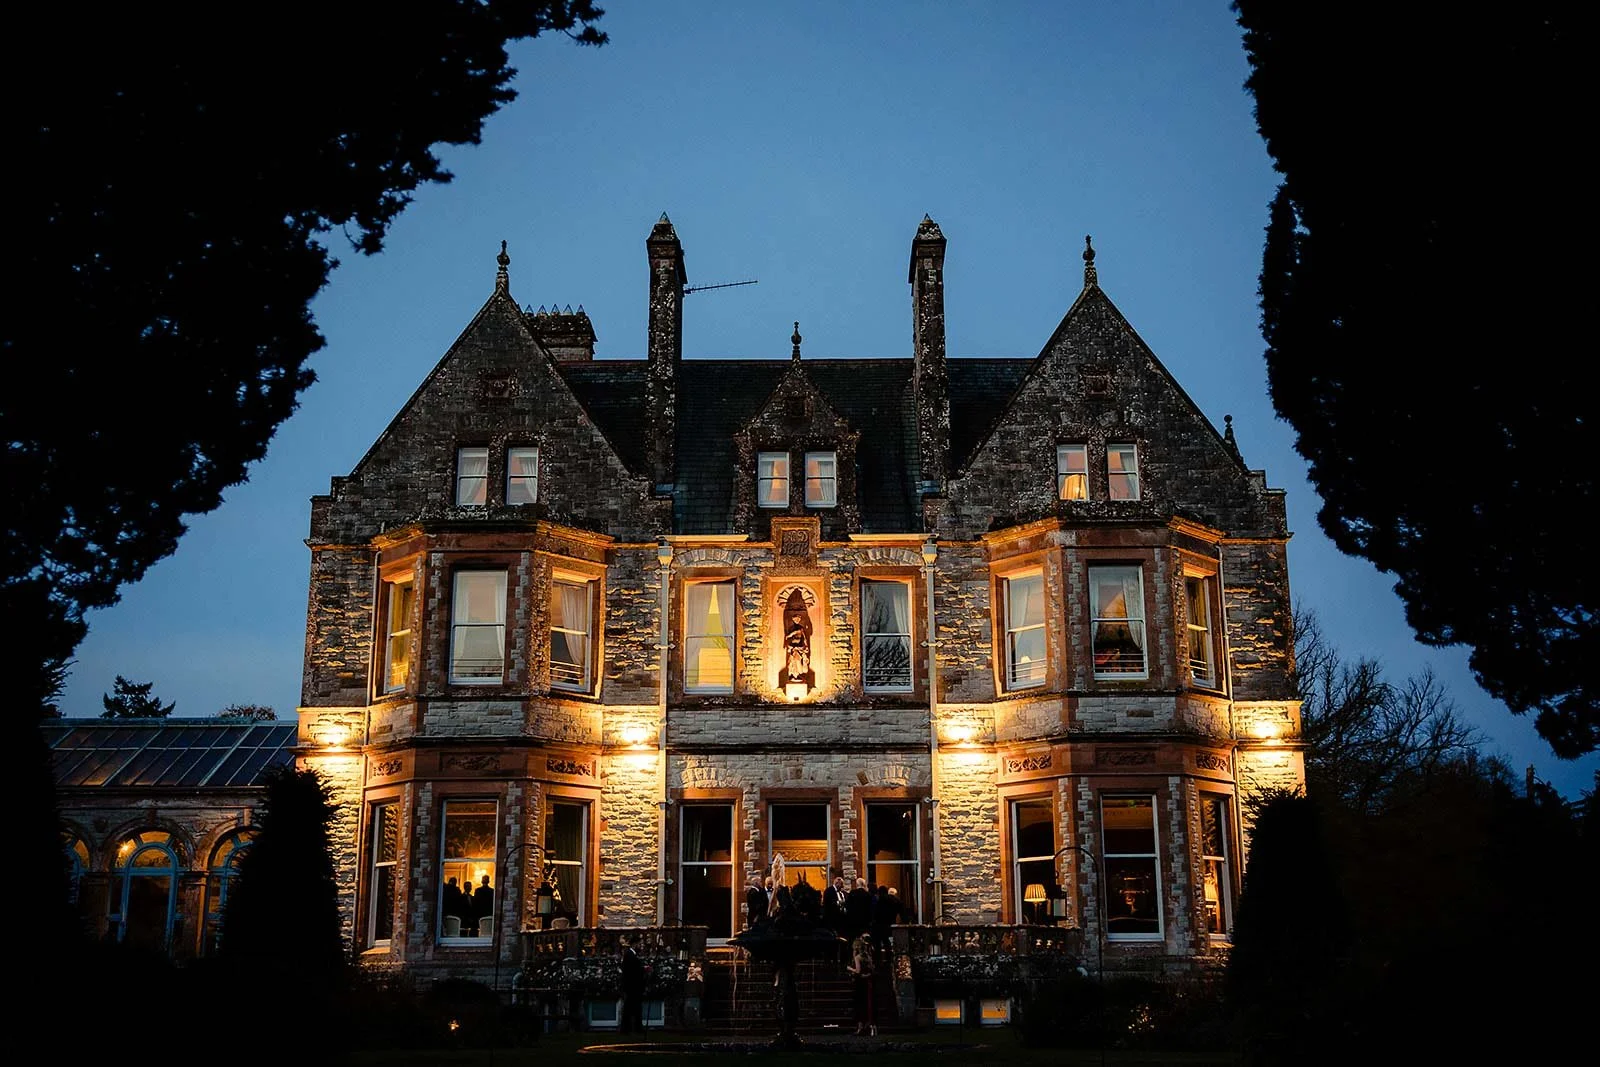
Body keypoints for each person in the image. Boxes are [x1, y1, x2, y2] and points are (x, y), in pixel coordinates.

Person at [848, 933, 876, 1036]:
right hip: (867, 982)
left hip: (860, 982)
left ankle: (860, 1027)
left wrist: (850, 968)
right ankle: (868, 1025)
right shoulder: (868, 957)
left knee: (859, 1004)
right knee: (867, 1004)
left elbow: (858, 971)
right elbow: (872, 970)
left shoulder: (858, 957)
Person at [619, 935, 646, 1034]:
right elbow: (631, 971)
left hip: (633, 987)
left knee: (633, 1008)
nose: (641, 946)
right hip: (632, 987)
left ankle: (633, 1028)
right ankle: (630, 1028)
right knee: (631, 1008)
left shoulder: (631, 955)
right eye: (640, 944)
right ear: (635, 944)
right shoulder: (629, 955)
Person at [845, 877, 872, 942]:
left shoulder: (852, 893)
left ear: (857, 884)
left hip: (853, 920)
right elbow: (869, 908)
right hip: (864, 921)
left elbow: (847, 905)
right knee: (864, 939)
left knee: (852, 939)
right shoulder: (867, 894)